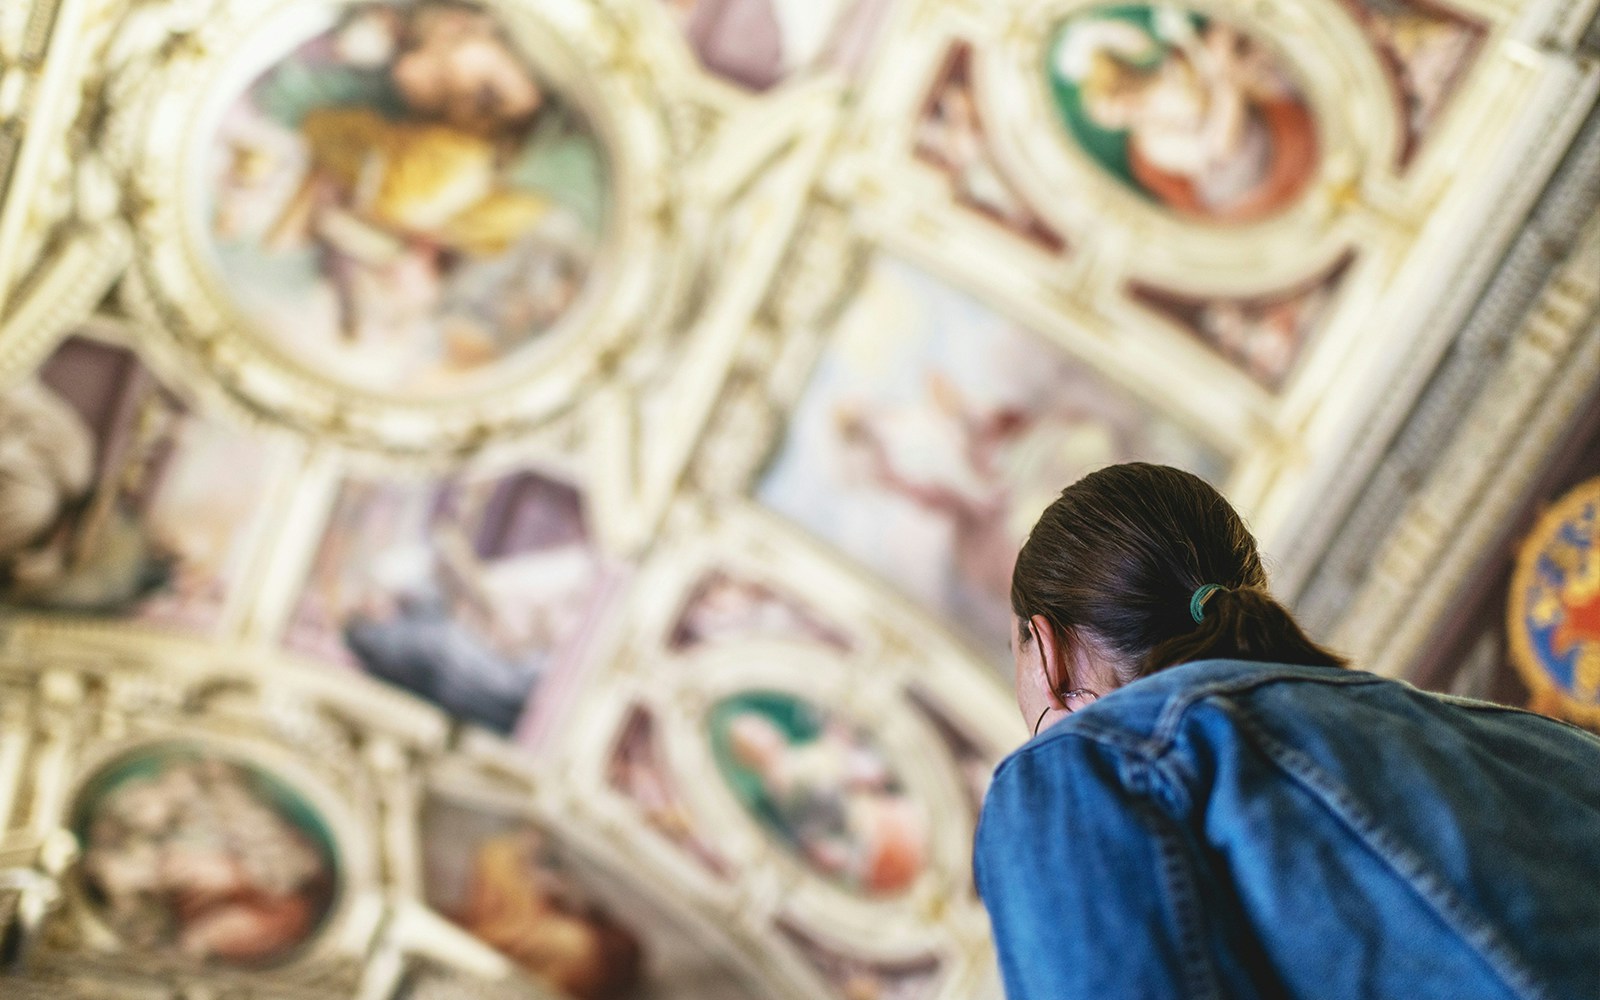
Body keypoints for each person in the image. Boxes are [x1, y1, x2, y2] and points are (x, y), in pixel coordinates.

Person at [975, 463, 1600, 999]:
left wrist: (1064, 751)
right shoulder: (1532, 741)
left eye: (1014, 654)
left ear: (1047, 652)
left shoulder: (1073, 773)